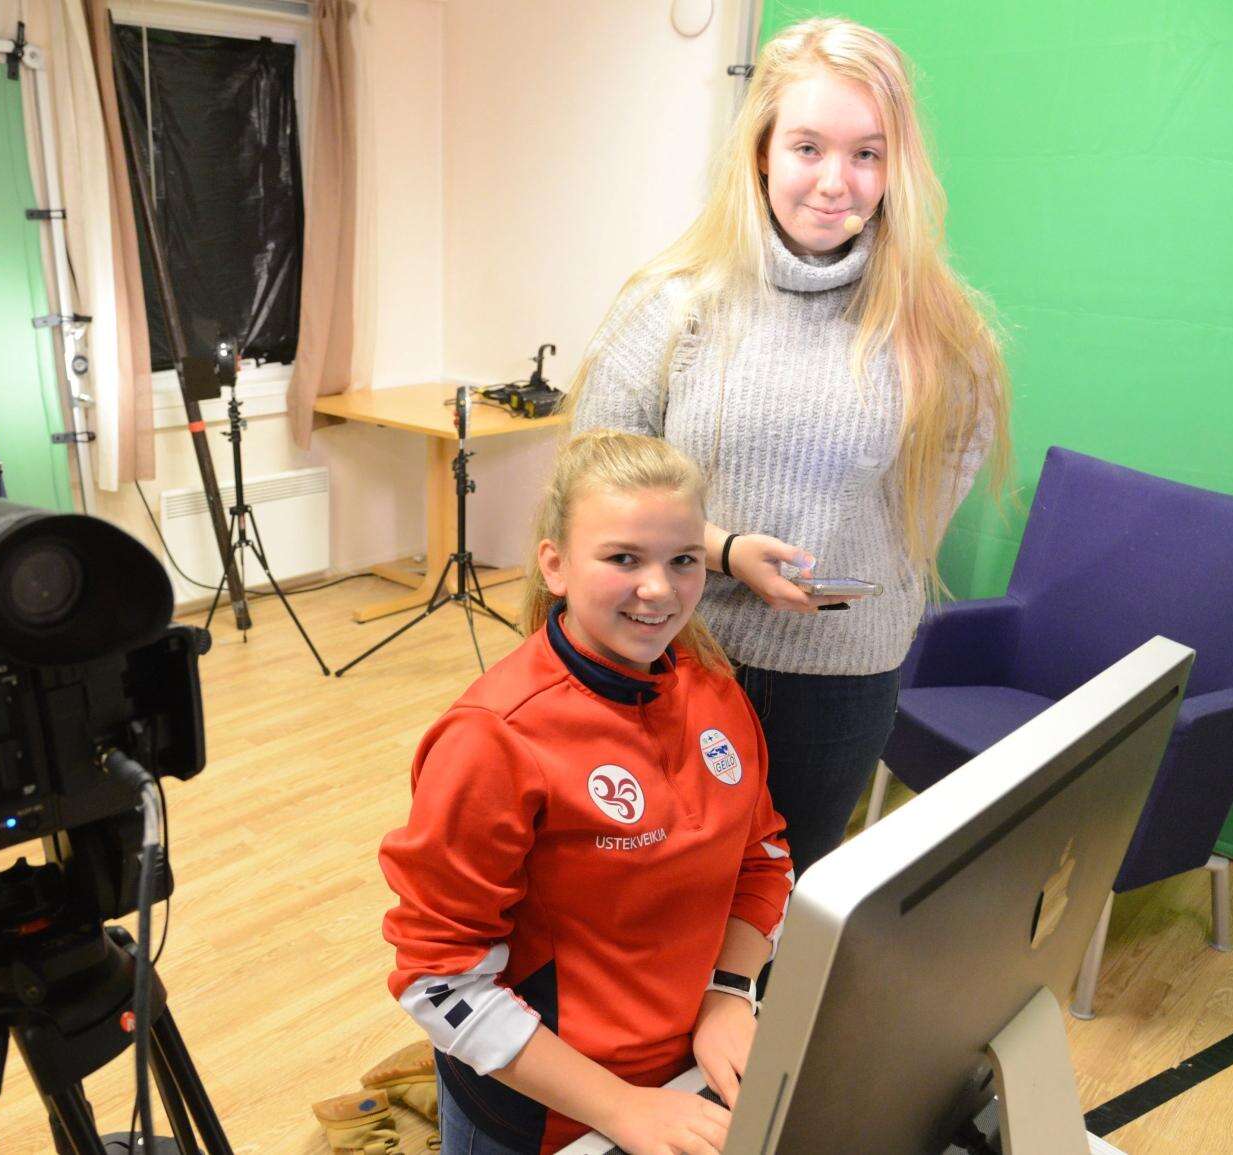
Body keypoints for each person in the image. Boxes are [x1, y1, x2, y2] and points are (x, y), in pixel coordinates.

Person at [566, 17, 1012, 878]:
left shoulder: (940, 332)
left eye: (867, 154)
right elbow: (590, 483)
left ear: (897, 167)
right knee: (642, 886)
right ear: (762, 152)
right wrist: (721, 550)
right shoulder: (674, 300)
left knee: (779, 891)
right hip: (666, 650)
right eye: (808, 147)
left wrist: (853, 560)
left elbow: (933, 491)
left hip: (837, 680)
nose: (835, 182)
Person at [379, 430, 796, 1155]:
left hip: (689, 1076)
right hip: (548, 1111)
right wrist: (619, 1106)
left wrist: (728, 993)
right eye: (623, 558)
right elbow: (439, 982)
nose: (659, 589)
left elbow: (761, 857)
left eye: (683, 560)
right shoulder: (492, 738)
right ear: (555, 565)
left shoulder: (712, 686)